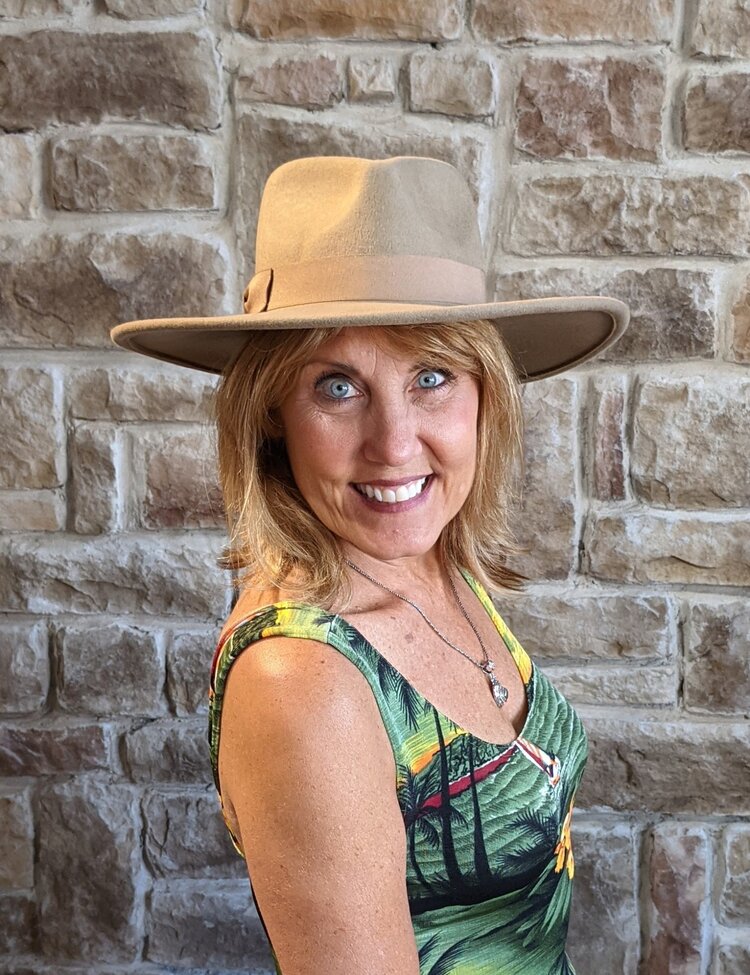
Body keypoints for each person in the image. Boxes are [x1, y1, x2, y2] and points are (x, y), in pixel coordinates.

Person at [110, 155, 630, 975]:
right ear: (273, 413)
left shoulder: (430, 558)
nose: (394, 445)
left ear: (485, 394)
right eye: (338, 387)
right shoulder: (303, 684)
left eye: (431, 376)